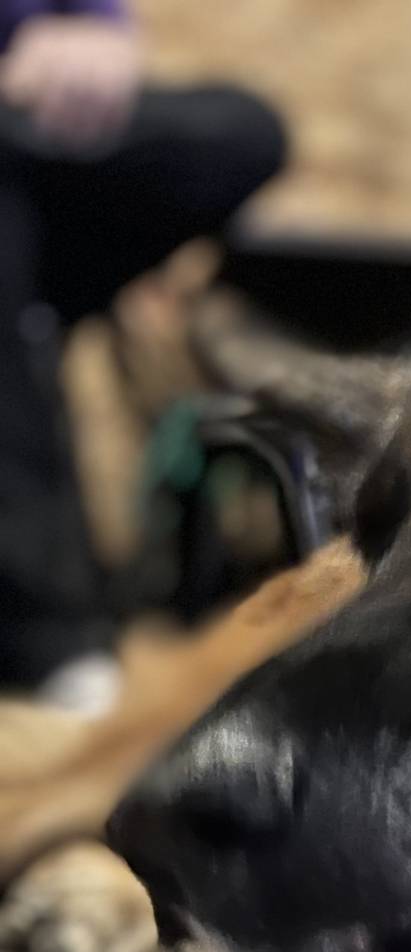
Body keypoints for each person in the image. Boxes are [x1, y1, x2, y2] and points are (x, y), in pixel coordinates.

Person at [0, 1, 285, 707]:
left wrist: (100, 33)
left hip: (26, 132)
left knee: (242, 131)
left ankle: (33, 307)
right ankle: (50, 635)